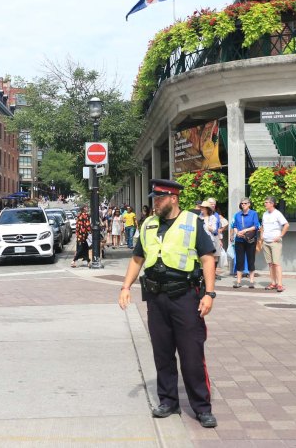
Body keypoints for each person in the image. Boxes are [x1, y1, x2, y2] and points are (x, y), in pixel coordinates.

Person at [118, 179, 218, 428]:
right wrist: (125, 287)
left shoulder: (192, 222)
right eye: (154, 198)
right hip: (156, 298)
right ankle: (168, 401)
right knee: (162, 353)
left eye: (159, 198)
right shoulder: (148, 224)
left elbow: (207, 259)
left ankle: (202, 407)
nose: (155, 202)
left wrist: (209, 294)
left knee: (192, 355)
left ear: (173, 198)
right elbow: (137, 258)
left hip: (185, 297)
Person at [260, 196, 289, 292]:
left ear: (272, 204)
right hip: (266, 241)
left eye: (267, 202)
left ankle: (280, 284)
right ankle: (273, 283)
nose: (265, 204)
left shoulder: (277, 214)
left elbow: (286, 225)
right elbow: (262, 226)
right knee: (270, 264)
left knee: (276, 263)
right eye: (265, 202)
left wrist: (280, 236)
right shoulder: (265, 214)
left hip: (275, 242)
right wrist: (261, 235)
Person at [230, 198, 259, 288]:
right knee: (239, 260)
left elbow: (256, 226)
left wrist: (245, 230)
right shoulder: (237, 215)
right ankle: (238, 282)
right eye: (242, 203)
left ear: (249, 204)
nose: (243, 205)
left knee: (251, 260)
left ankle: (251, 281)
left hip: (250, 240)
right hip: (239, 240)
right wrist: (237, 232)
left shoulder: (254, 214)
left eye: (245, 203)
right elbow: (234, 226)